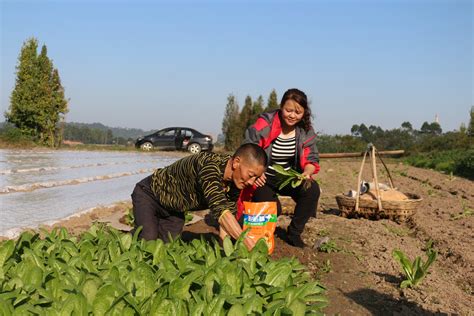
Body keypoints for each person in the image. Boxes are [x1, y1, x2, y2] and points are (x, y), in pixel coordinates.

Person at [131, 143, 267, 250]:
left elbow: (226, 220)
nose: (251, 182)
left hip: (174, 210)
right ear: (236, 162)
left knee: (167, 248)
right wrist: (249, 244)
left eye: (256, 178)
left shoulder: (235, 183)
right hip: (149, 195)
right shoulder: (209, 167)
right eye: (250, 175)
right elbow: (221, 211)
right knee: (147, 242)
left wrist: (225, 253)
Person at [242, 88, 321, 248]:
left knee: (312, 189)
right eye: (288, 110)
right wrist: (256, 173)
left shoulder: (305, 131)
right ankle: (258, 232)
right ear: (281, 107)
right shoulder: (265, 124)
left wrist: (307, 172)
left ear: (304, 112)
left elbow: (311, 159)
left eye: (297, 112)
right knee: (273, 209)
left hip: (289, 177)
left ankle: (294, 233)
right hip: (264, 176)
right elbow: (249, 149)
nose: (292, 115)